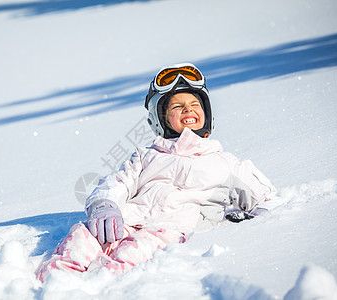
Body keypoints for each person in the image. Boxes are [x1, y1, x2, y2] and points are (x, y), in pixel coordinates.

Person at [36, 63, 279, 282]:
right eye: (178, 106)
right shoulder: (146, 156)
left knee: (135, 251)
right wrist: (105, 205)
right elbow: (118, 182)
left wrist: (243, 221)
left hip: (171, 231)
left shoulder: (225, 163)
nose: (188, 109)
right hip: (128, 222)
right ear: (160, 118)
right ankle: (55, 285)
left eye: (195, 104)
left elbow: (266, 199)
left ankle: (98, 288)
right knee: (83, 235)